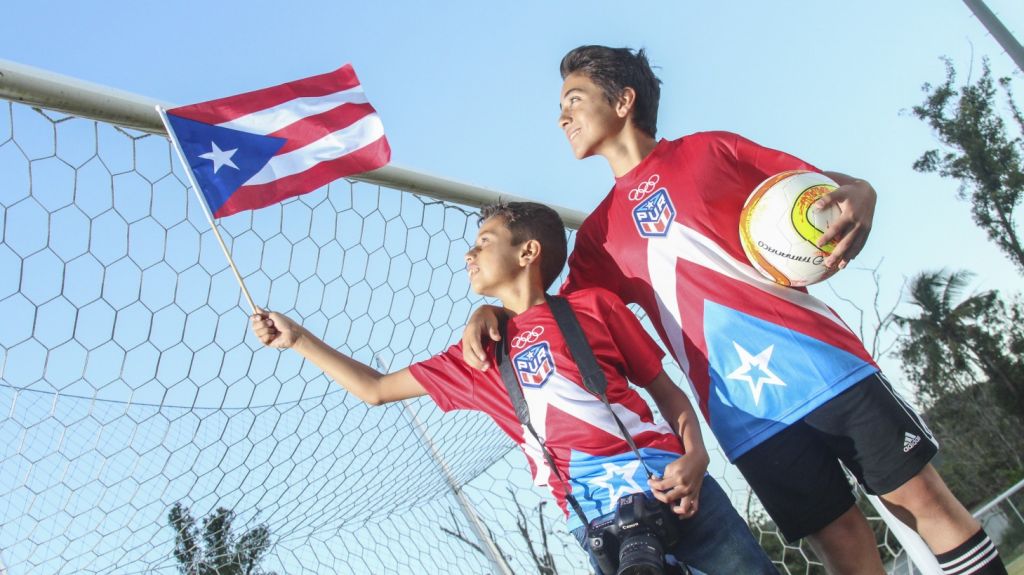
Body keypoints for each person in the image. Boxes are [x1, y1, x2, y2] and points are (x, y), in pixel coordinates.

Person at [460, 47, 1006, 575]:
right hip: (743, 412)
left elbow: (822, 188)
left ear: (623, 100)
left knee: (924, 503)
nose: (563, 117)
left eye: (574, 99)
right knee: (842, 545)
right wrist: (492, 318)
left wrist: (861, 190)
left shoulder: (709, 149)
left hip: (822, 364)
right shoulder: (600, 236)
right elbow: (550, 314)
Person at [251, 201, 779, 574]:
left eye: (483, 242)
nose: (468, 254)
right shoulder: (477, 354)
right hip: (593, 518)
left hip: (676, 485)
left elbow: (666, 392)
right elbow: (374, 388)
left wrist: (696, 458)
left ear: (528, 253)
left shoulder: (594, 307)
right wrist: (298, 339)